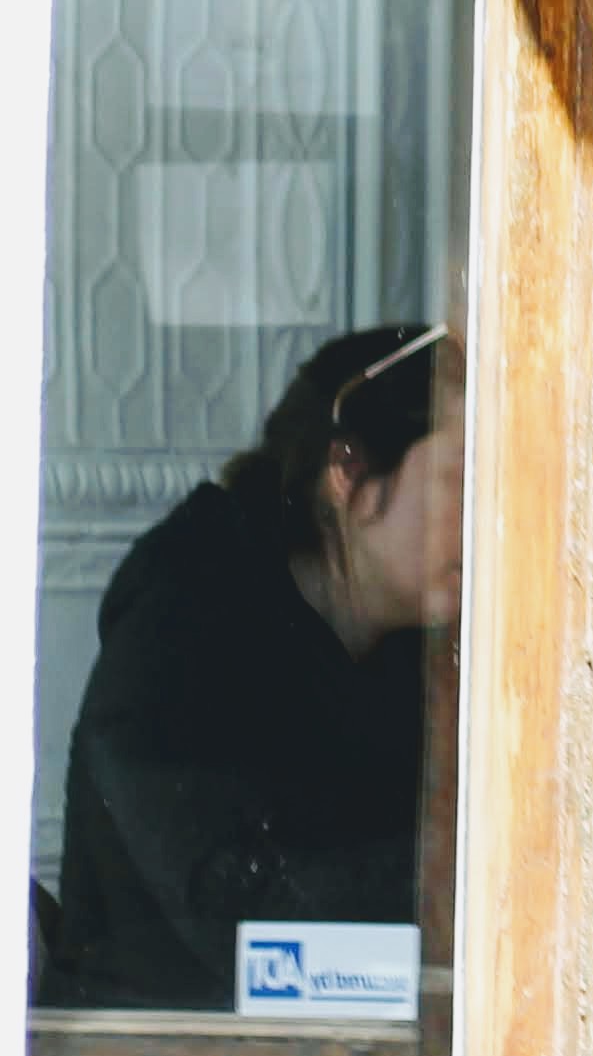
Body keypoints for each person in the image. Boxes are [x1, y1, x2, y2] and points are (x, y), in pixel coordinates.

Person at [45, 322, 461, 1008]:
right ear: (348, 471)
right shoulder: (182, 623)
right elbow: (241, 913)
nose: (485, 519)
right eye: (458, 480)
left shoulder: (422, 657)